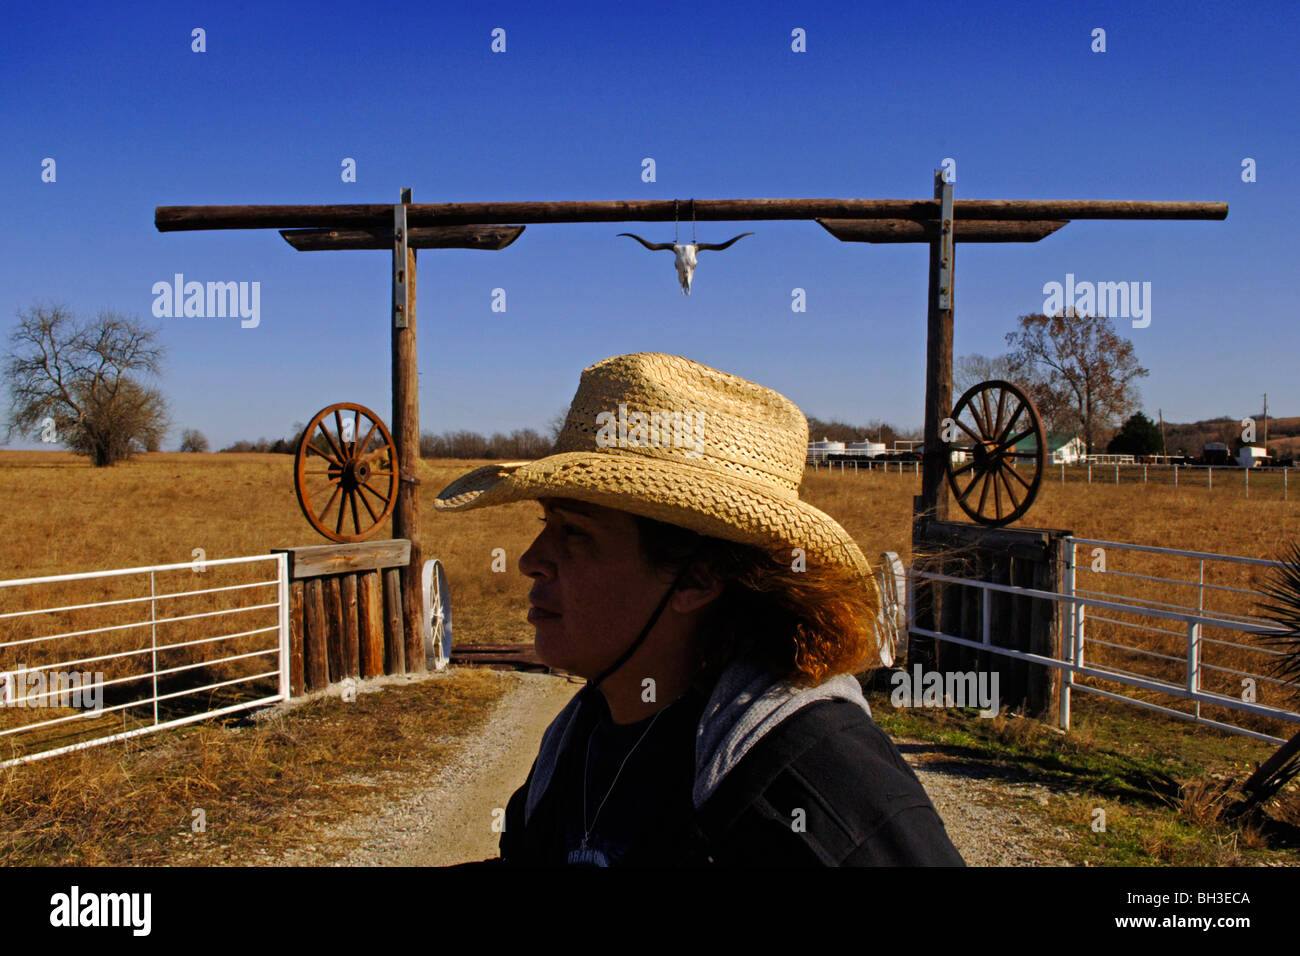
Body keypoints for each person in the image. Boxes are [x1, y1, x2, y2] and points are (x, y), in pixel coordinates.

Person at [433, 352, 964, 867]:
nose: (530, 561)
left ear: (697, 576)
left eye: (574, 532)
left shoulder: (815, 780)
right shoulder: (583, 736)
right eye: (545, 524)